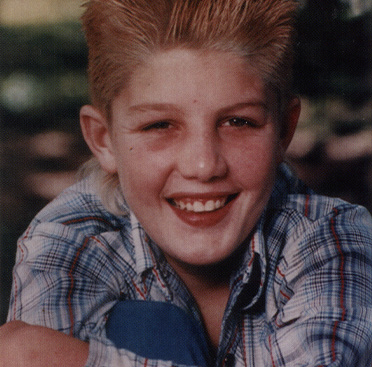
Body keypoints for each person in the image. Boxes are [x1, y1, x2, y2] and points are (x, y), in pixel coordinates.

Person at [1, 0, 372, 366]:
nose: (203, 165)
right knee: (147, 327)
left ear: (284, 131)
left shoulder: (333, 237)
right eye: (159, 125)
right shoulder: (70, 236)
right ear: (104, 140)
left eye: (239, 122)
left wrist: (74, 360)